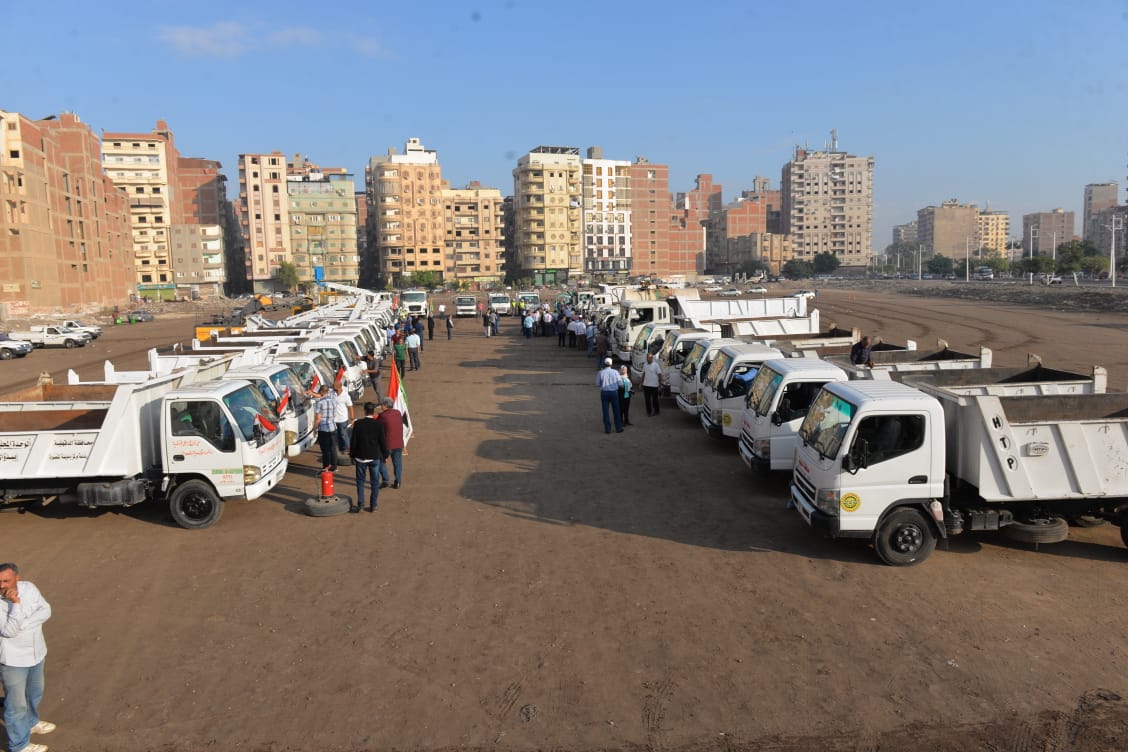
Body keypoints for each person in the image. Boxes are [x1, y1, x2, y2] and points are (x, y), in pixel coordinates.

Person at [0, 563, 55, 752]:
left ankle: (31, 723)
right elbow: (9, 631)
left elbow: (46, 610)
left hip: (37, 653)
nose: (2, 585)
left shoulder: (29, 588)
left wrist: (23, 625)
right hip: (13, 661)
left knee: (34, 693)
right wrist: (16, 604)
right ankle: (19, 746)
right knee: (16, 706)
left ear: (17, 578)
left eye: (6, 580)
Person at [349, 402, 388, 513]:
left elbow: (354, 441)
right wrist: (385, 455)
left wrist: (352, 455)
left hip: (360, 457)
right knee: (374, 482)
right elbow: (382, 441)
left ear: (365, 411)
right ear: (373, 411)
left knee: (360, 482)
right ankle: (373, 505)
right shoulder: (378, 424)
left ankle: (361, 505)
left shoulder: (358, 424)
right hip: (374, 457)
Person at [376, 397, 405, 489]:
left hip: (387, 444)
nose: (381, 406)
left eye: (382, 405)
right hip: (399, 443)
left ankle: (385, 480)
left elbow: (377, 427)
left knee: (380, 461)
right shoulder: (398, 413)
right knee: (398, 463)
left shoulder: (383, 416)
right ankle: (398, 481)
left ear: (385, 405)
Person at [313, 384, 339, 471]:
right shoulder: (334, 401)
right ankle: (334, 466)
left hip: (323, 429)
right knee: (333, 448)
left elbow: (318, 418)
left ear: (321, 392)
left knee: (325, 450)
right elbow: (334, 415)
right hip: (333, 427)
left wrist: (314, 429)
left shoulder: (320, 403)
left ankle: (326, 467)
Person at [597, 357, 624, 434]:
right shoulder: (615, 372)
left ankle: (607, 429)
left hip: (604, 393)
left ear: (604, 364)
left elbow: (598, 383)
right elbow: (620, 384)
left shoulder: (601, 372)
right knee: (616, 410)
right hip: (613, 393)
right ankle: (618, 428)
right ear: (611, 364)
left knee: (605, 411)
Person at [333, 380, 355, 464]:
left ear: (339, 387)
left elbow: (350, 407)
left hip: (342, 419)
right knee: (337, 435)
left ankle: (347, 449)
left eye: (335, 388)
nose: (334, 390)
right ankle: (341, 448)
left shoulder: (345, 395)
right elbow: (322, 395)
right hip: (334, 419)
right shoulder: (332, 393)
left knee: (343, 434)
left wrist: (352, 418)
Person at [641, 352, 664, 416]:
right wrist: (641, 383)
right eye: (648, 357)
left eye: (650, 358)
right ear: (646, 358)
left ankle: (657, 410)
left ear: (652, 358)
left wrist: (660, 384)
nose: (649, 359)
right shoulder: (645, 365)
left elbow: (659, 374)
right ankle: (649, 411)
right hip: (646, 385)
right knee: (647, 399)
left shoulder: (656, 365)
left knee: (655, 399)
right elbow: (644, 374)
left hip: (654, 385)